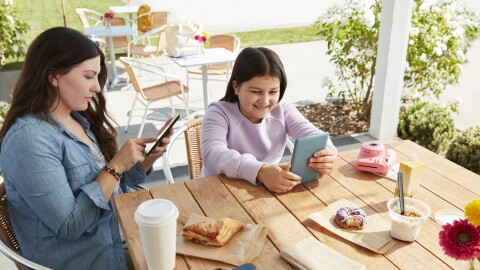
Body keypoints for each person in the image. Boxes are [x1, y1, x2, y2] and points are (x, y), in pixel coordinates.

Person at [0, 27, 172, 269]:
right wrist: (115, 166)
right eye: (89, 76)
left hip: (120, 239)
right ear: (53, 75)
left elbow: (109, 186)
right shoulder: (28, 140)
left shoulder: (77, 119)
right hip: (95, 259)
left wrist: (144, 158)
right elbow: (70, 224)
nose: (97, 88)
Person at [201, 47, 337, 193]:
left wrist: (327, 154)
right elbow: (213, 154)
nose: (265, 100)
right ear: (236, 87)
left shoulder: (283, 110)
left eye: (273, 92)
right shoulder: (218, 112)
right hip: (216, 192)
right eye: (255, 91)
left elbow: (316, 136)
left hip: (264, 190)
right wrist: (260, 171)